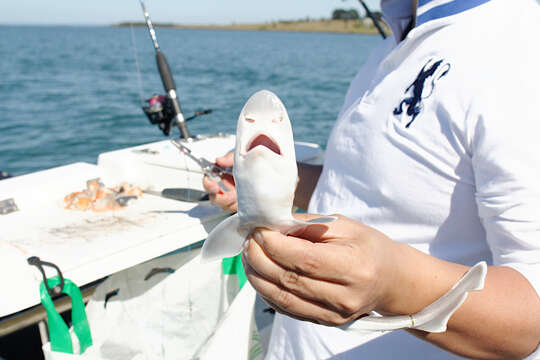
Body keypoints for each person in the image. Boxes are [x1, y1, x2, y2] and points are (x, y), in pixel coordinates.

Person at [203, 0, 540, 358]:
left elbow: (531, 318)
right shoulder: (397, 40)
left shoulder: (520, 52)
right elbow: (365, 192)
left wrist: (392, 287)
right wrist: (267, 188)